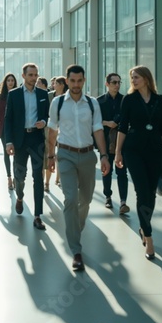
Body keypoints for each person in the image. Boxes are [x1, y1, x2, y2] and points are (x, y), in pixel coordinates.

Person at [47, 64, 110, 271]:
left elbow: (98, 129)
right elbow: (52, 131)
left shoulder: (92, 104)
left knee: (86, 199)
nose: (76, 85)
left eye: (79, 81)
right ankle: (76, 249)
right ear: (67, 80)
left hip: (87, 156)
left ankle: (75, 229)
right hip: (65, 155)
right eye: (72, 81)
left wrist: (103, 155)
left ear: (84, 80)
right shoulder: (57, 103)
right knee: (71, 199)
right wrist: (50, 155)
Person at [115, 66, 162, 261]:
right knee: (142, 191)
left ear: (146, 78)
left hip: (154, 151)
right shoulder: (129, 99)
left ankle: (144, 226)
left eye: (136, 77)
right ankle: (149, 237)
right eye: (132, 78)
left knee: (151, 193)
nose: (133, 81)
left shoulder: (160, 101)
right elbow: (122, 126)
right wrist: (118, 152)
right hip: (133, 151)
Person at [5, 63, 49, 230]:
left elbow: (47, 115)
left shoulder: (43, 94)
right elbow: (8, 119)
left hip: (37, 140)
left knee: (38, 177)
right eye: (30, 75)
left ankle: (37, 215)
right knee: (20, 175)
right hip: (20, 141)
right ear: (23, 76)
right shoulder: (14, 94)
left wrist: (43, 122)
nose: (34, 78)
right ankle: (20, 196)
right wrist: (9, 142)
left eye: (35, 74)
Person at [97, 73, 129, 214]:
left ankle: (123, 201)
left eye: (119, 82)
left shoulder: (125, 100)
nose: (117, 85)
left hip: (121, 142)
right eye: (114, 82)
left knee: (122, 172)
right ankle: (108, 196)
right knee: (107, 171)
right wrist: (107, 122)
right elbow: (95, 120)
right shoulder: (99, 101)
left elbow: (127, 118)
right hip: (105, 141)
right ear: (107, 84)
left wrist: (116, 122)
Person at [0, 73, 18, 190]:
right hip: (4, 129)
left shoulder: (18, 95)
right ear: (5, 83)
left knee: (17, 154)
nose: (10, 82)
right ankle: (9, 177)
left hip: (17, 129)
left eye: (12, 80)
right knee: (6, 153)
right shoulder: (0, 96)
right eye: (8, 80)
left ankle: (17, 176)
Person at [44, 75, 67, 192]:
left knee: (61, 156)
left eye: (56, 83)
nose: (53, 85)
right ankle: (47, 182)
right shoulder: (49, 96)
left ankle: (58, 178)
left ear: (62, 85)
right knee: (50, 154)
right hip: (51, 129)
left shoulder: (68, 98)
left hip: (64, 131)